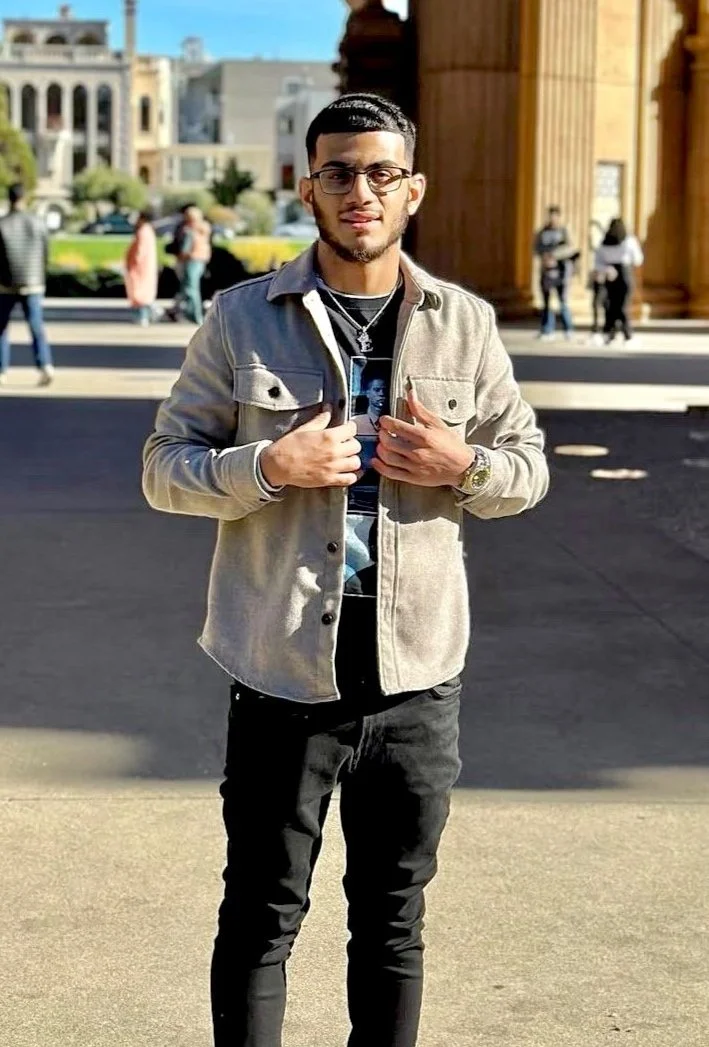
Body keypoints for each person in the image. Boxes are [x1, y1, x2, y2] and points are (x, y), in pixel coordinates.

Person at [142, 92, 550, 1047]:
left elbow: (526, 470)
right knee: (261, 913)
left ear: (413, 189)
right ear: (308, 188)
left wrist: (464, 466)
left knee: (393, 918)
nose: (359, 190)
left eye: (379, 172)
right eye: (337, 172)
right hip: (281, 671)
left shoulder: (464, 324)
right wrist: (266, 465)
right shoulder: (241, 319)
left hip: (416, 680)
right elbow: (163, 468)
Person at [0, 183, 54, 387]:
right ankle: (45, 365)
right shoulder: (38, 222)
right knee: (36, 326)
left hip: (6, 284)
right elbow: (45, 252)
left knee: (1, 328)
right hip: (33, 281)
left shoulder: (2, 224)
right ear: (24, 198)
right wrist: (41, 276)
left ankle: (1, 370)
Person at [594, 217, 644, 345]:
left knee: (613, 306)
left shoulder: (606, 242)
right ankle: (623, 335)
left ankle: (612, 333)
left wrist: (606, 268)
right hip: (622, 273)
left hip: (612, 274)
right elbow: (638, 259)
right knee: (619, 306)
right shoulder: (628, 241)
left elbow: (597, 262)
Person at [533, 204, 579, 341]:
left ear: (559, 216)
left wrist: (555, 255)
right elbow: (536, 248)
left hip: (561, 269)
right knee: (547, 301)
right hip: (547, 270)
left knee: (562, 300)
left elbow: (571, 248)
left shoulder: (564, 230)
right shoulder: (543, 231)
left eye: (554, 216)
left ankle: (568, 329)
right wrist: (545, 256)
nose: (552, 218)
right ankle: (547, 329)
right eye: (550, 216)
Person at [124, 210, 159, 326]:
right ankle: (147, 313)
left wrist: (134, 262)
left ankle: (144, 316)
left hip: (140, 267)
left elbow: (140, 250)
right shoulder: (147, 230)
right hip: (145, 266)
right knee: (143, 292)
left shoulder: (143, 231)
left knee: (140, 293)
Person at [179, 206, 211, 325]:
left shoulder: (191, 229)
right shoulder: (204, 228)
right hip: (201, 260)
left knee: (191, 288)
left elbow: (186, 248)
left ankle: (195, 315)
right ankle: (193, 314)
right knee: (192, 288)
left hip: (192, 259)